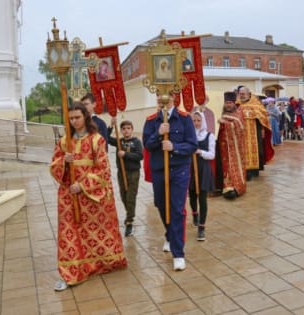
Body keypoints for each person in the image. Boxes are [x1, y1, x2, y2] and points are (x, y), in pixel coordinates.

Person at [50, 103, 127, 291]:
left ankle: (99, 263)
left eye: (77, 117)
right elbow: (53, 166)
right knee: (70, 232)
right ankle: (71, 272)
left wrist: (83, 185)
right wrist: (64, 162)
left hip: (89, 196)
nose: (74, 121)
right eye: (71, 118)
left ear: (85, 117)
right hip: (69, 196)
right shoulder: (63, 142)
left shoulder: (97, 140)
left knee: (94, 232)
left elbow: (103, 169)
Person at [142, 91, 197, 271]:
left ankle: (178, 253)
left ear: (173, 97)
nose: (161, 98)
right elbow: (147, 145)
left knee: (176, 209)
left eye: (165, 94)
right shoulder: (152, 120)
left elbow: (192, 145)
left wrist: (175, 147)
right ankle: (169, 234)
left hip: (179, 170)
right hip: (160, 170)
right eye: (158, 94)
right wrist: (158, 134)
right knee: (160, 204)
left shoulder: (184, 118)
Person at [107, 118, 143, 237]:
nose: (126, 131)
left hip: (133, 173)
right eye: (124, 129)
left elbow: (140, 155)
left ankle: (129, 222)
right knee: (123, 195)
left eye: (128, 128)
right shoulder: (119, 141)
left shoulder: (136, 142)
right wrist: (111, 126)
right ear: (121, 130)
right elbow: (106, 138)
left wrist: (125, 154)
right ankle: (130, 213)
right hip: (121, 173)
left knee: (131, 196)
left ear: (132, 129)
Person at [237, 86, 274, 180]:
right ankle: (244, 171)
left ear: (249, 94)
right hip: (241, 134)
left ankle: (254, 171)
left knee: (257, 151)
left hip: (254, 133)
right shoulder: (237, 105)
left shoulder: (256, 104)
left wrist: (262, 129)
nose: (241, 96)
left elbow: (263, 116)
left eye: (243, 94)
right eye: (240, 94)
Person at [189, 110, 215, 241]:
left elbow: (212, 154)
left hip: (203, 168)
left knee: (203, 198)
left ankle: (202, 227)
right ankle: (195, 214)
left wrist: (199, 151)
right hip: (190, 168)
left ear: (203, 121)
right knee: (192, 194)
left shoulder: (209, 135)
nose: (196, 123)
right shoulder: (189, 135)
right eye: (194, 120)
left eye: (198, 120)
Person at [216, 91, 246, 199]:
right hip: (221, 146)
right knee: (222, 166)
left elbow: (239, 127)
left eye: (230, 103)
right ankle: (222, 187)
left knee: (230, 167)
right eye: (226, 103)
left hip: (234, 149)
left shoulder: (238, 114)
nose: (228, 105)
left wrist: (225, 123)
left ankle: (234, 187)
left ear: (234, 103)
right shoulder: (220, 113)